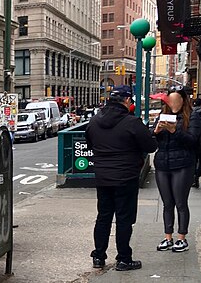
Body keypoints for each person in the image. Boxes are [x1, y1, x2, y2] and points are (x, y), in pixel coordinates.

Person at [85, 85, 157, 271]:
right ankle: (124, 258)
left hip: (102, 177)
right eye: (131, 101)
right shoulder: (132, 122)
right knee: (124, 219)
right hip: (126, 177)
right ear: (126, 101)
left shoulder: (93, 121)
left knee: (103, 216)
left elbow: (90, 144)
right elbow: (150, 146)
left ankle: (99, 256)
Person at [153, 86, 201, 253]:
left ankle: (181, 238)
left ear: (183, 101)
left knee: (180, 202)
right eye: (170, 100)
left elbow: (194, 141)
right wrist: (156, 132)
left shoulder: (192, 117)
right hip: (162, 164)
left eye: (177, 100)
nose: (173, 103)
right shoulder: (162, 115)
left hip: (183, 164)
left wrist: (174, 131)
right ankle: (168, 237)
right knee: (167, 203)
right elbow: (154, 143)